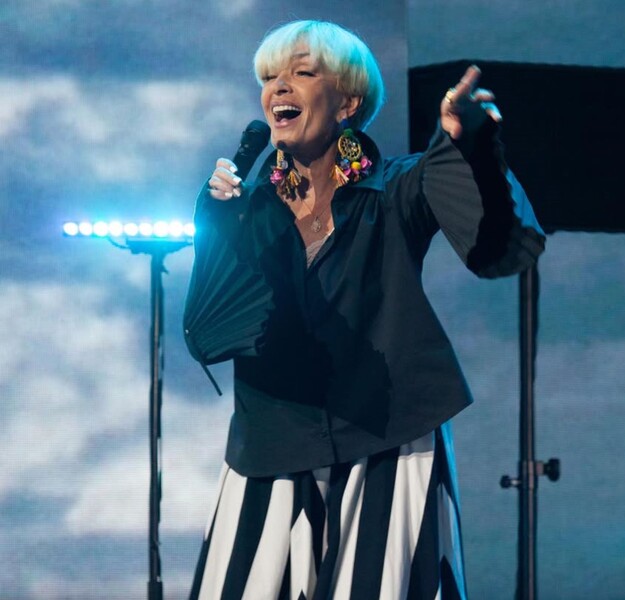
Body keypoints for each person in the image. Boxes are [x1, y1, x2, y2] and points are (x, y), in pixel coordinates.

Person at [184, 19, 545, 600]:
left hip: (389, 437)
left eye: (303, 73)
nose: (279, 87)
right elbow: (209, 334)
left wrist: (469, 146)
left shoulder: (398, 186)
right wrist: (217, 226)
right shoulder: (246, 209)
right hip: (272, 440)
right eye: (269, 77)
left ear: (348, 102)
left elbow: (494, 243)